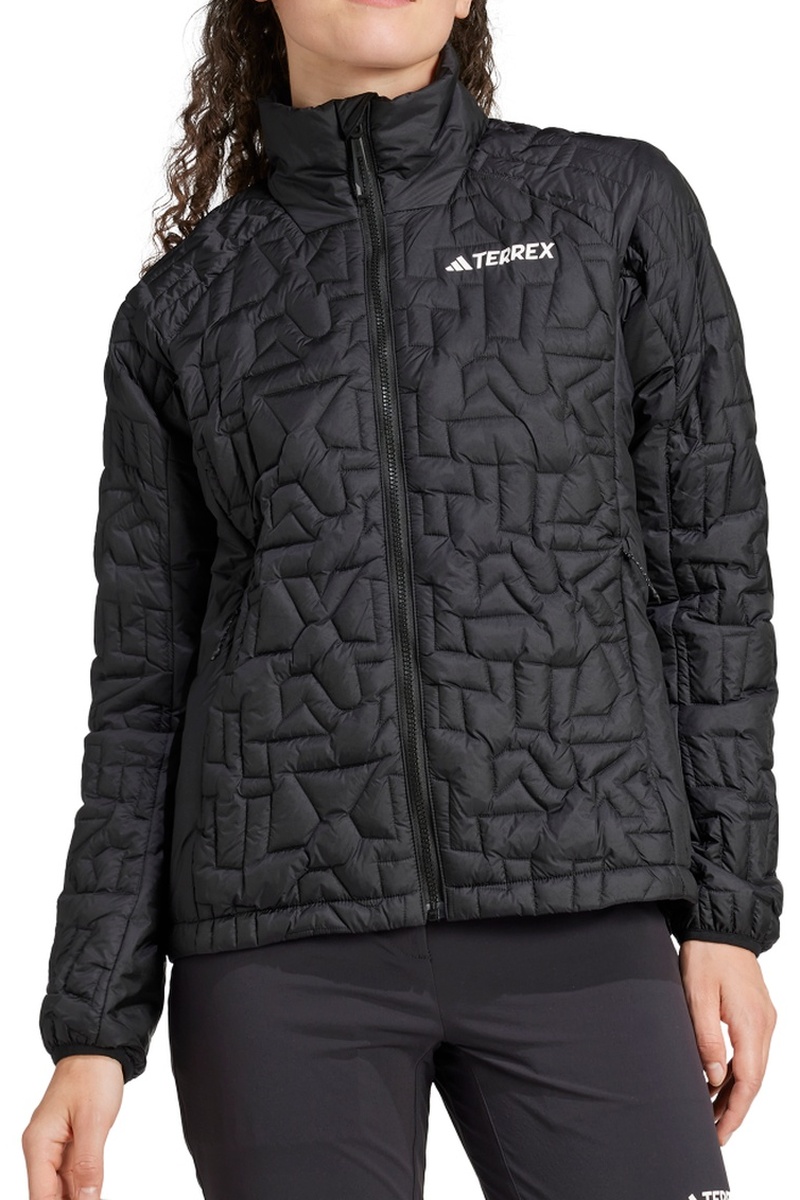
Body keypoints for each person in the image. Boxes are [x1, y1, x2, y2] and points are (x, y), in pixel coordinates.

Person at [22, 1, 782, 1198]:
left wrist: (726, 912)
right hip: (277, 961)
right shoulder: (184, 305)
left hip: (579, 921)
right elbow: (141, 689)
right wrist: (92, 1031)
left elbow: (709, 581)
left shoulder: (609, 209)